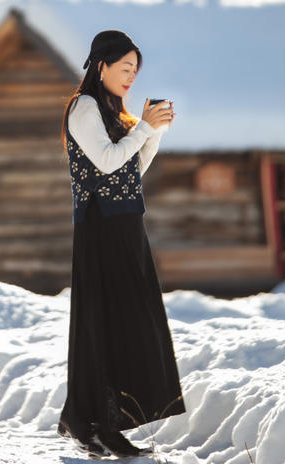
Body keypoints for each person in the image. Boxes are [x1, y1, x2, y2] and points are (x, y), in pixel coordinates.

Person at [56, 30, 187, 458]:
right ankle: (99, 425)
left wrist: (153, 134)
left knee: (129, 322)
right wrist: (142, 128)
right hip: (100, 229)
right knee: (107, 323)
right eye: (125, 68)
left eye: (136, 70)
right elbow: (108, 160)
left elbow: (130, 169)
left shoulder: (112, 111)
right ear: (101, 66)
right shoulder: (84, 108)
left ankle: (98, 422)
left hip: (125, 223)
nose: (131, 77)